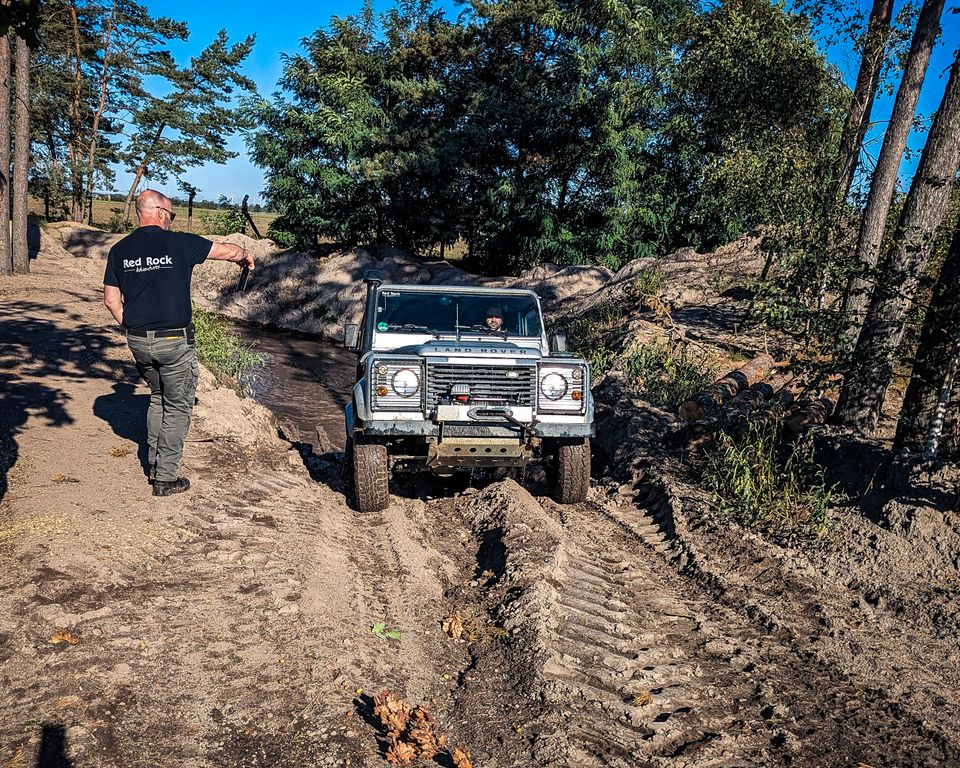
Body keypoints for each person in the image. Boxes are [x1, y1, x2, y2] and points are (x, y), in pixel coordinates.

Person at [102, 189, 255, 497]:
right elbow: (227, 251)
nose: (170, 220)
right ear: (159, 212)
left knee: (157, 398)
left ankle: (155, 465)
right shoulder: (180, 243)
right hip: (175, 342)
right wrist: (246, 255)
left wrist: (131, 325)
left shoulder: (119, 250)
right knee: (177, 406)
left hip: (138, 341)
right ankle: (165, 477)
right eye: (170, 214)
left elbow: (110, 300)